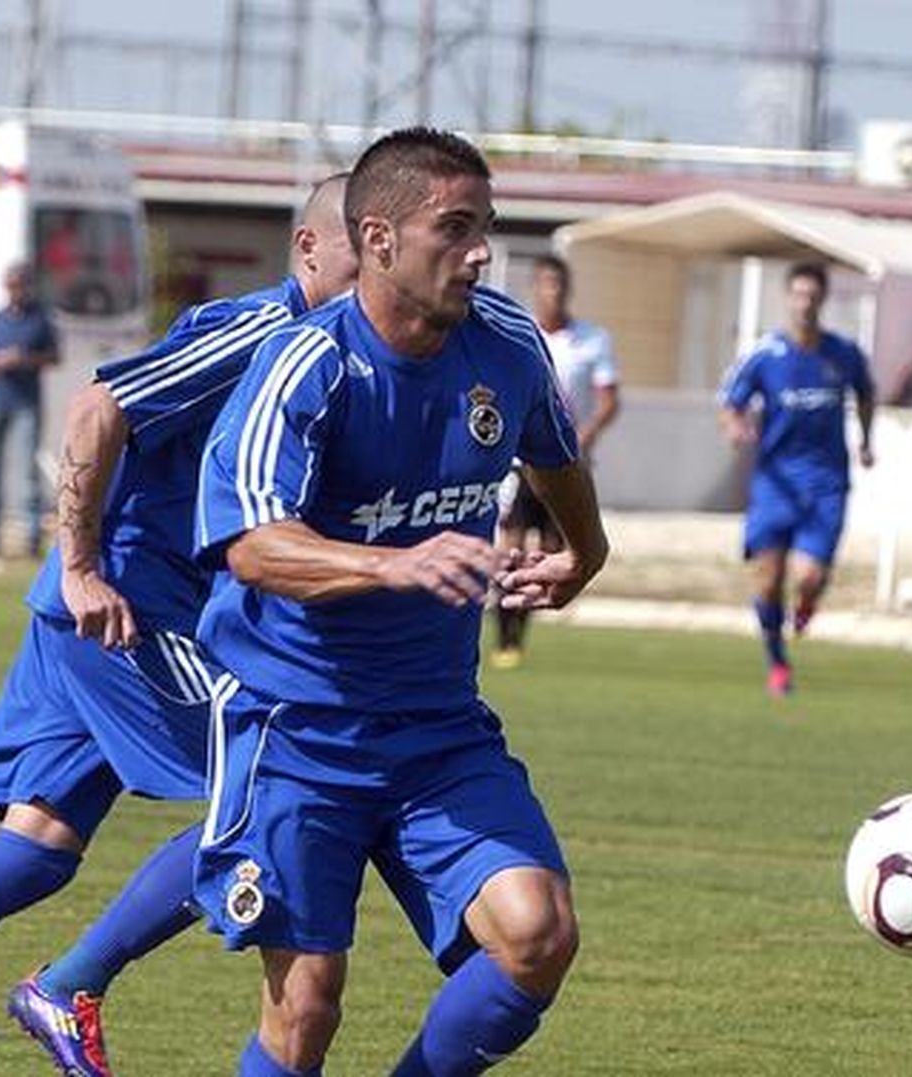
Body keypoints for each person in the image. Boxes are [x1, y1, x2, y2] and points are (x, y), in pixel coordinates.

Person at [0, 175, 358, 1076]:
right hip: (123, 608)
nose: (382, 279)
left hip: (104, 611)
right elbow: (96, 408)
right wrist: (82, 565)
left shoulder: (348, 353)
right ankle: (71, 982)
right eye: (366, 253)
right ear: (309, 249)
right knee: (276, 783)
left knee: (34, 849)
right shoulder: (260, 331)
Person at [194, 128, 607, 1077]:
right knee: (305, 1007)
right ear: (377, 239)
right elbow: (254, 545)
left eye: (486, 228)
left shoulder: (504, 343)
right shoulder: (307, 367)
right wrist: (393, 565)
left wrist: (586, 550)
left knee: (536, 934)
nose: (480, 252)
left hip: (436, 729)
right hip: (296, 728)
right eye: (454, 229)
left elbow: (552, 449)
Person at [719, 261, 874, 697]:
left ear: (823, 300)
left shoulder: (843, 354)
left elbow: (866, 393)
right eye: (799, 295)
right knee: (767, 579)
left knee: (807, 577)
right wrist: (734, 427)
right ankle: (777, 662)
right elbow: (731, 403)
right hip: (775, 482)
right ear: (789, 298)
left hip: (826, 483)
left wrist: (866, 439)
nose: (805, 304)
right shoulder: (766, 354)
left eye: (813, 296)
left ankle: (807, 602)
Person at [493, 252, 621, 669]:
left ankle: (520, 637)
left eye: (561, 284)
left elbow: (608, 400)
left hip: (564, 463)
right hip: (516, 463)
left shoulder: (592, 339)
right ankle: (502, 634)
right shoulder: (517, 333)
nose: (554, 291)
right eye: (547, 283)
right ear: (536, 287)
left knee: (549, 551)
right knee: (509, 544)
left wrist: (581, 437)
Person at [0, 261, 59, 558]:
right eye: (9, 286)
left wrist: (24, 359)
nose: (14, 291)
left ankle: (32, 537)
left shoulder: (41, 319)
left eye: (19, 285)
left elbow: (54, 357)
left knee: (28, 472)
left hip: (27, 402)